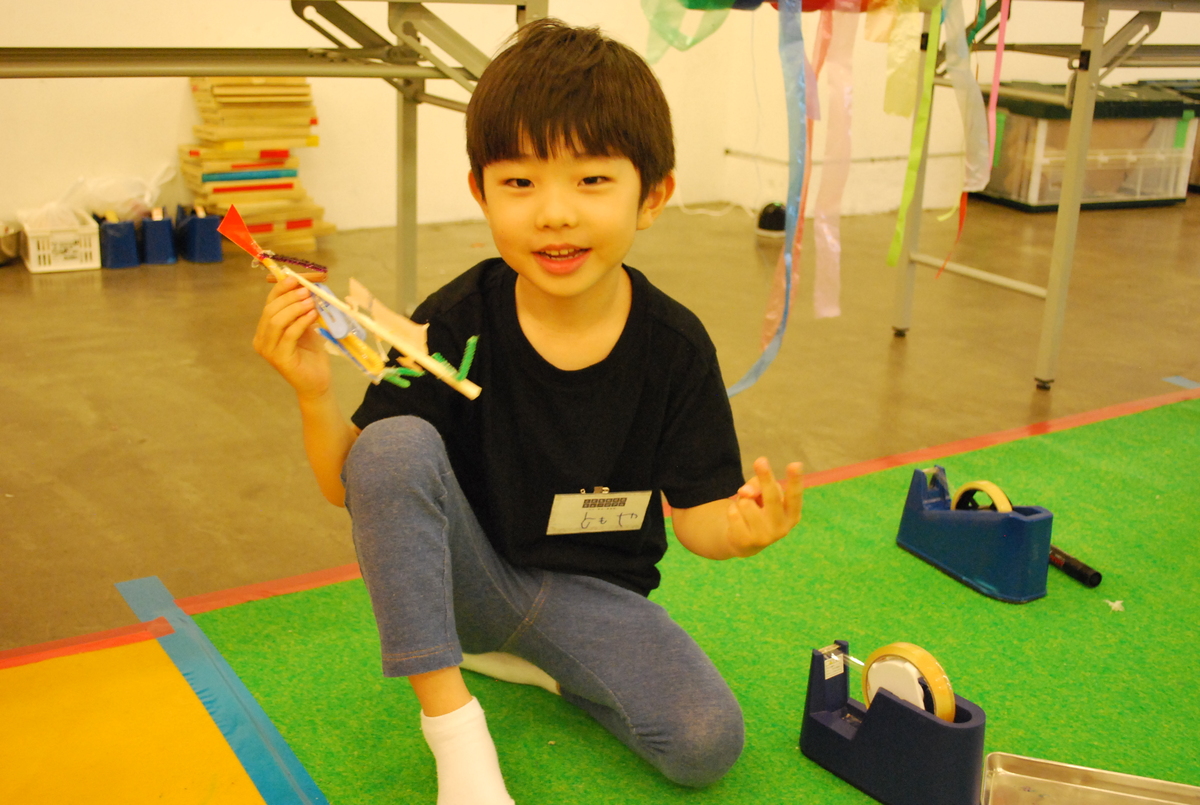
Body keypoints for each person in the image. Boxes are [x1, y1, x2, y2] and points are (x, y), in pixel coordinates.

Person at [254, 17, 803, 805]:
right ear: (480, 191)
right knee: (392, 443)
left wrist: (741, 530)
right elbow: (358, 482)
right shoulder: (459, 320)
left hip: (593, 599)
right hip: (470, 583)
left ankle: (541, 661)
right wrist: (314, 392)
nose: (554, 213)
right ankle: (456, 732)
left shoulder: (675, 347)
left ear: (653, 196)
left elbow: (698, 518)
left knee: (705, 742)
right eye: (519, 183)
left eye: (591, 180)